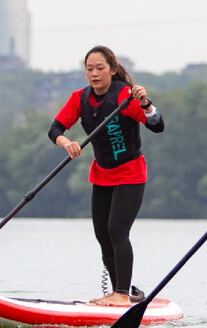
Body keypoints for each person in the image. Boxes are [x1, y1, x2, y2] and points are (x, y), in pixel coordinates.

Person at [49, 46, 164, 306]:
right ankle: (121, 291)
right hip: (102, 175)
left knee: (117, 229)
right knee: (102, 234)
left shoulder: (124, 95)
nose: (94, 73)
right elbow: (55, 128)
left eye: (100, 68)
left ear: (112, 70)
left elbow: (157, 125)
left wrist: (145, 104)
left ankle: (122, 293)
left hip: (131, 173)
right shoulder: (80, 98)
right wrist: (66, 142)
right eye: (89, 69)